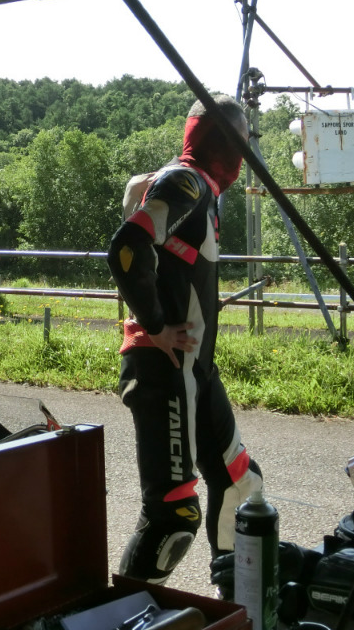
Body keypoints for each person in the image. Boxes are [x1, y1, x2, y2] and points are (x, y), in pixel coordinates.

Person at [107, 93, 263, 585]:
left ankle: (237, 605)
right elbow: (128, 249)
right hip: (165, 369)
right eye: (243, 141)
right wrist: (155, 327)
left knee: (240, 484)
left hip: (195, 371)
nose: (245, 155)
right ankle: (122, 613)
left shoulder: (194, 186)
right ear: (227, 142)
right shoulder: (186, 181)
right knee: (173, 517)